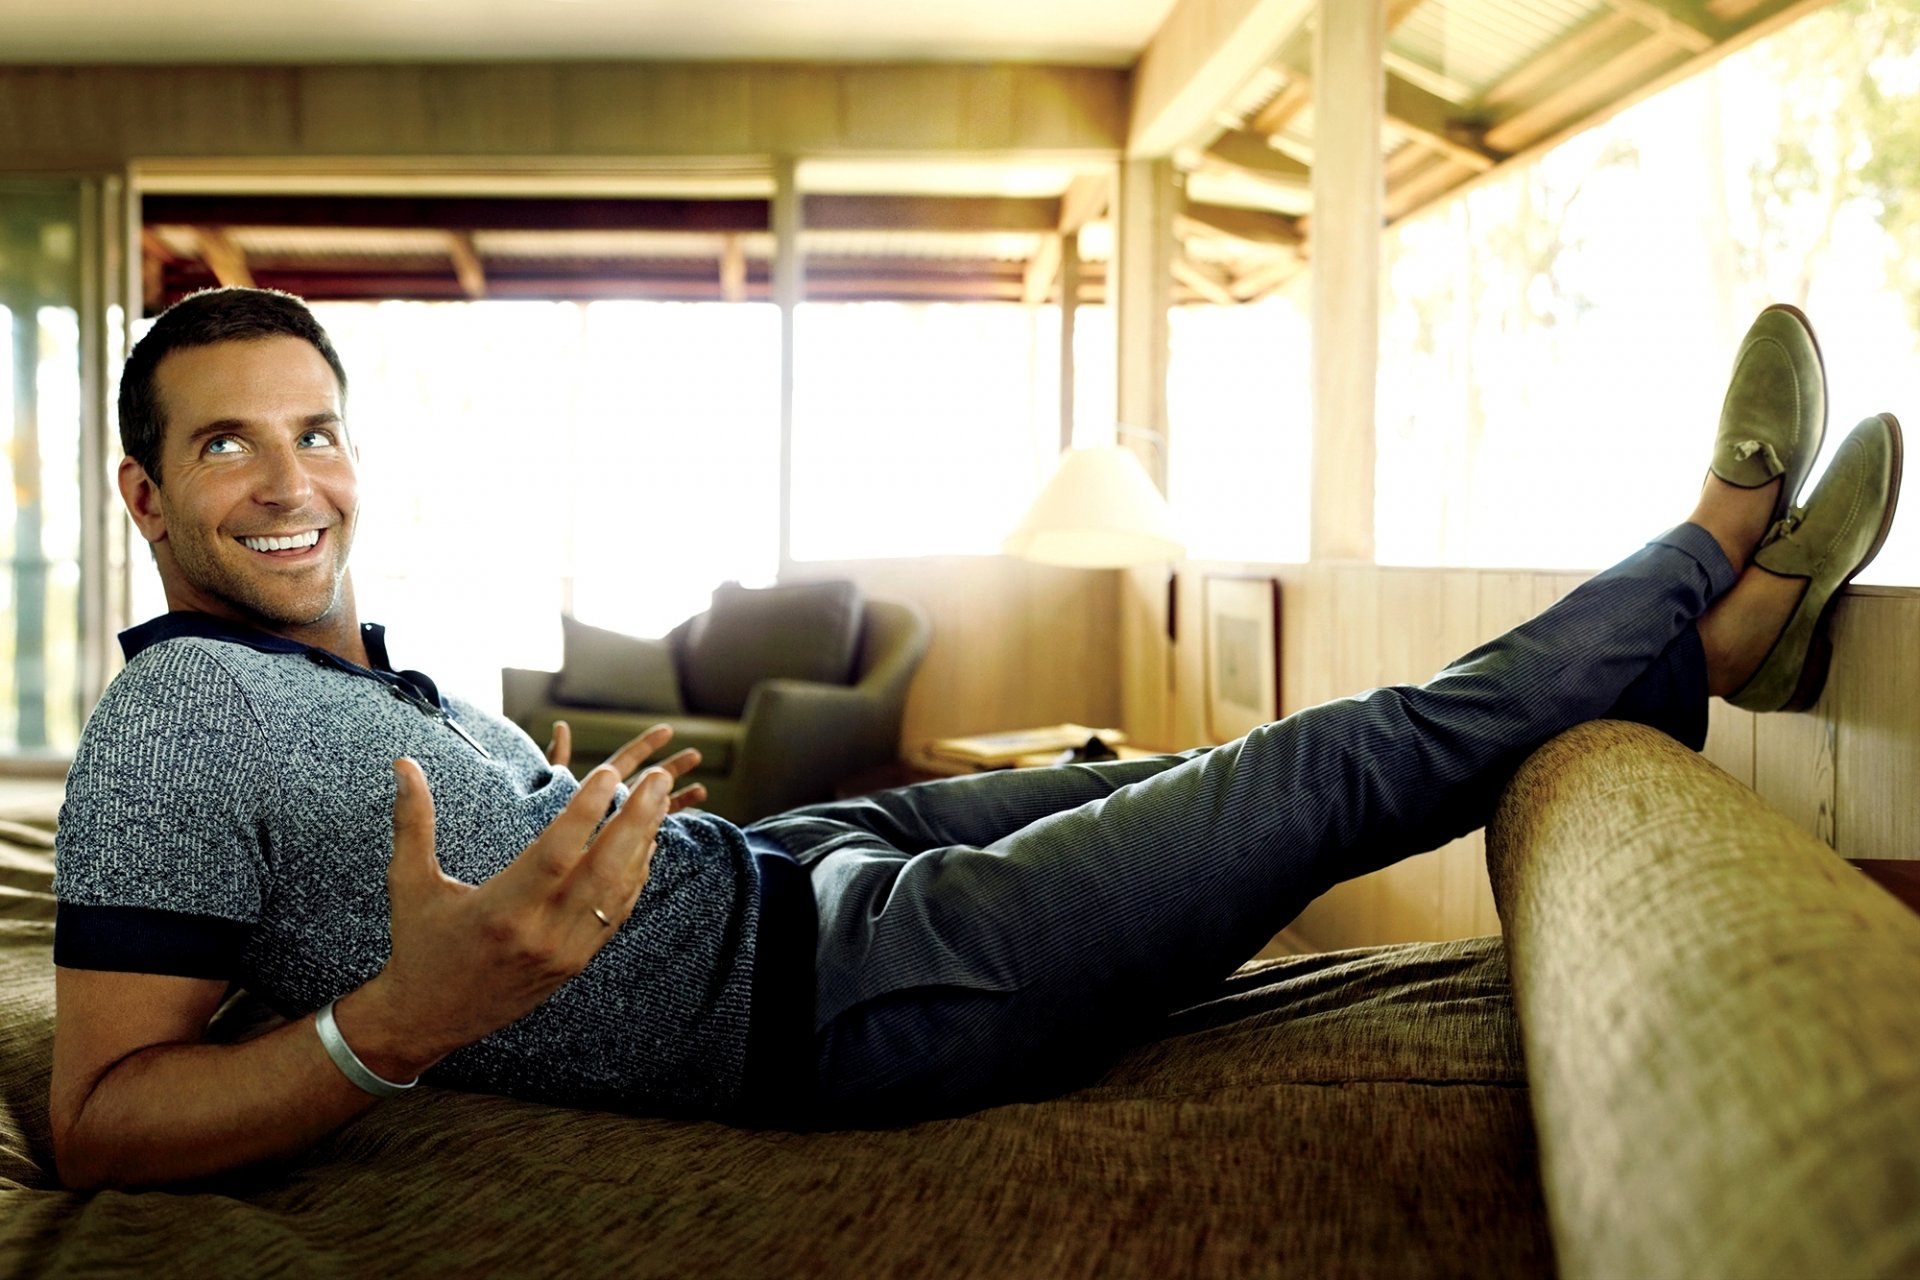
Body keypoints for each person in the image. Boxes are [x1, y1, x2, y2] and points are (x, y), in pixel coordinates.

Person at [48, 289, 1903, 1191]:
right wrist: (403, 1020)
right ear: (143, 493)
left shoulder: (338, 669)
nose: (291, 481)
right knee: (1332, 769)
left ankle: (1707, 651)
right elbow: (103, 1114)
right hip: (850, 1001)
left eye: (316, 431)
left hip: (802, 866)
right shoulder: (170, 724)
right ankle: (1705, 562)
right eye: (227, 444)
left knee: (1262, 756)